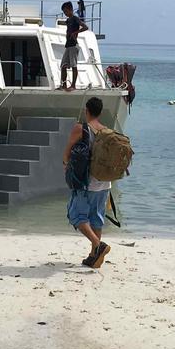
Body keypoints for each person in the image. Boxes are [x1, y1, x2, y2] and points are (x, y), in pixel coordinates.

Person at [63, 97, 111, 268]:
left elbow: (67, 152)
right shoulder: (106, 130)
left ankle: (98, 245)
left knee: (76, 215)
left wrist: (66, 165)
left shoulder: (80, 128)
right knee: (96, 218)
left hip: (86, 182)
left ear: (87, 110)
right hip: (105, 182)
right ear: (100, 111)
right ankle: (94, 257)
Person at [58, 0, 85, 91]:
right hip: (68, 45)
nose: (65, 13)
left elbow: (85, 27)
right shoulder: (68, 20)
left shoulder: (75, 18)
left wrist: (76, 33)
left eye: (66, 11)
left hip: (73, 44)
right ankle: (63, 85)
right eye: (64, 12)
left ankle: (73, 85)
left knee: (74, 65)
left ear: (70, 10)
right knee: (63, 65)